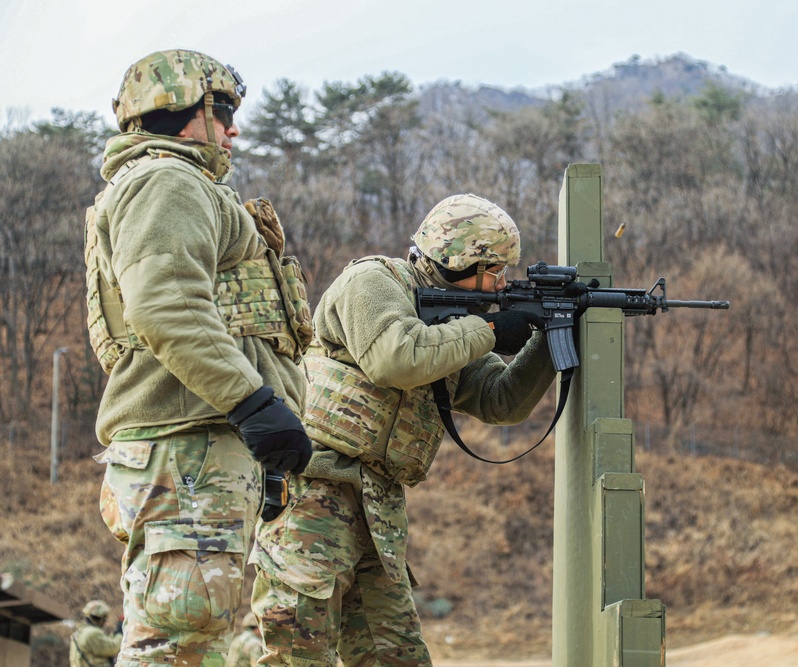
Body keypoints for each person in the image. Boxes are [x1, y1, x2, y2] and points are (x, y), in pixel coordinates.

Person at [250, 194, 557, 666]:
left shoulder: (457, 322)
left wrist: (549, 335)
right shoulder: (373, 281)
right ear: (458, 259)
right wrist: (493, 331)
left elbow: (502, 400)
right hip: (314, 493)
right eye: (493, 268)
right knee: (298, 654)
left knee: (396, 657)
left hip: (378, 510)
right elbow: (396, 357)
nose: (501, 282)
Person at [86, 49, 314, 667]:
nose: (234, 129)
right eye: (223, 111)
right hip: (187, 449)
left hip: (197, 448)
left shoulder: (178, 187)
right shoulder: (166, 182)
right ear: (183, 111)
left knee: (190, 640)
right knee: (177, 644)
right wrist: (255, 404)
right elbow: (167, 308)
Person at [70, 600, 122, 667]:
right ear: (101, 619)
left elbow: (104, 643)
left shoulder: (81, 631)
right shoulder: (93, 633)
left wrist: (115, 633)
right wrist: (120, 634)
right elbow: (113, 648)